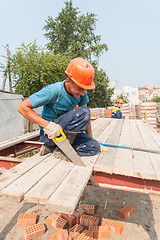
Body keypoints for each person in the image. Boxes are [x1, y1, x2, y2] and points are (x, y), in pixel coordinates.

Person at [18, 57, 103, 157]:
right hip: (50, 134)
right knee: (84, 112)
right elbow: (22, 108)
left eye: (85, 89)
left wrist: (90, 138)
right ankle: (55, 146)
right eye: (80, 89)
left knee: (94, 146)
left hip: (66, 134)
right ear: (68, 81)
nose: (83, 93)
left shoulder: (82, 93)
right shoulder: (53, 91)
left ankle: (58, 149)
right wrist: (47, 125)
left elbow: (86, 118)